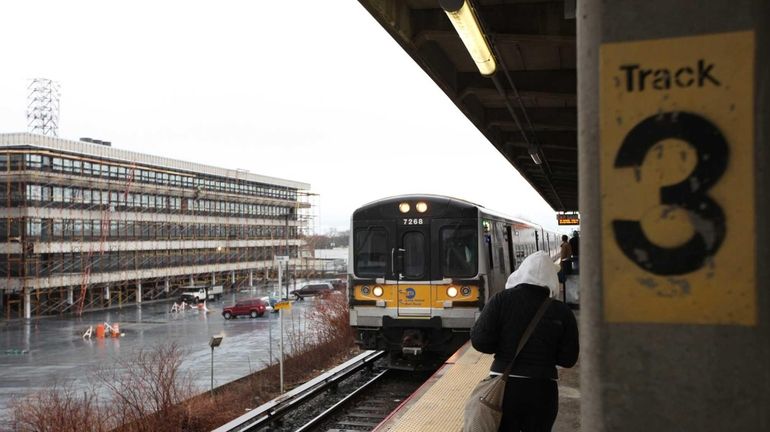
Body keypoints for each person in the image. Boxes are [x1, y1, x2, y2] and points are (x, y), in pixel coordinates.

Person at [471, 251, 579, 432]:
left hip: (504, 388)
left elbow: (480, 341)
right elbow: (568, 359)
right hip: (543, 389)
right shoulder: (562, 311)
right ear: (551, 278)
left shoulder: (501, 300)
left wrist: (505, 345)